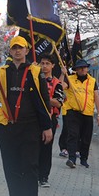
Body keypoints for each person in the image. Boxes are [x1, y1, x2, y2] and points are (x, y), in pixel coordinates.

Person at [0, 36, 52, 196]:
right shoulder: (2, 71)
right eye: (14, 48)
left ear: (26, 50)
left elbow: (43, 101)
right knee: (11, 168)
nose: (17, 51)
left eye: (20, 48)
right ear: (10, 51)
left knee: (30, 167)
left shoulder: (35, 71)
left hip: (30, 127)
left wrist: (47, 127)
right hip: (7, 127)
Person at [62, 59, 99, 168]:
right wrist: (62, 74)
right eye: (80, 67)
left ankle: (84, 159)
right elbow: (60, 87)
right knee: (73, 135)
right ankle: (72, 159)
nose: (83, 69)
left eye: (84, 67)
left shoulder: (92, 81)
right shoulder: (69, 79)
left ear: (87, 68)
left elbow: (97, 98)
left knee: (86, 137)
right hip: (73, 112)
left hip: (87, 113)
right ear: (76, 70)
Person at [37, 53, 65, 188]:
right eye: (42, 63)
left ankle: (43, 177)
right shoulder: (35, 80)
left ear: (53, 65)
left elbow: (58, 102)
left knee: (46, 148)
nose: (44, 66)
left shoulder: (56, 83)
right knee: (33, 147)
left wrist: (43, 99)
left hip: (50, 119)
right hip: (35, 119)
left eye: (47, 63)